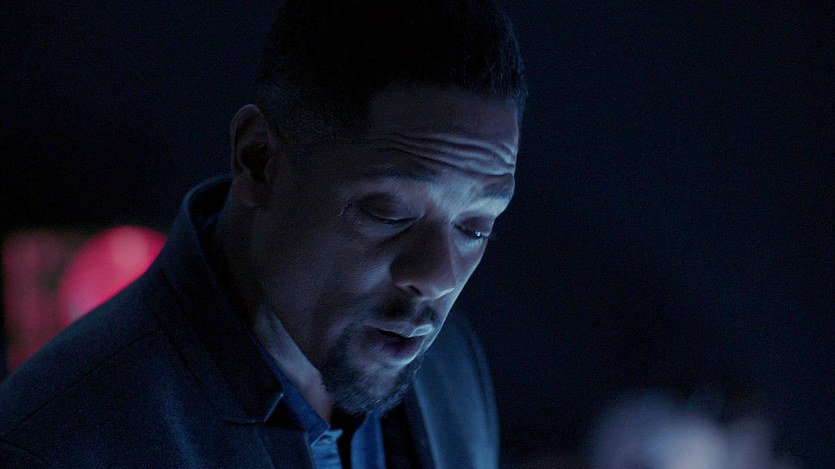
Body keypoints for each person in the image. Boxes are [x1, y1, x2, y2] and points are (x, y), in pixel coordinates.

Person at [0, 0, 526, 467]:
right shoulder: (53, 444)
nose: (438, 276)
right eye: (389, 212)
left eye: (476, 228)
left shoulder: (451, 369)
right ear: (257, 160)